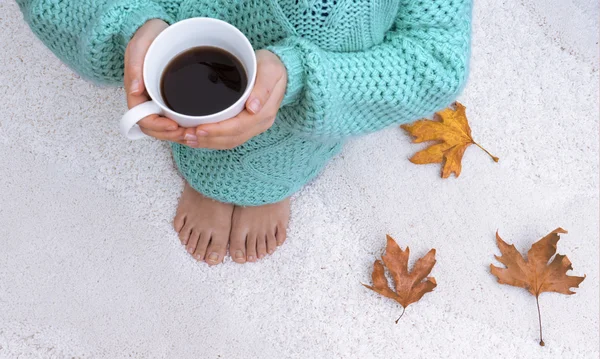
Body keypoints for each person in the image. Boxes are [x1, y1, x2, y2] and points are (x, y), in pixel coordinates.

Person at [16, 0, 472, 265]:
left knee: (329, 35)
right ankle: (222, 169)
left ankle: (266, 174)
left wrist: (299, 78)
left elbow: (435, 57)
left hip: (327, 59)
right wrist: (129, 26)